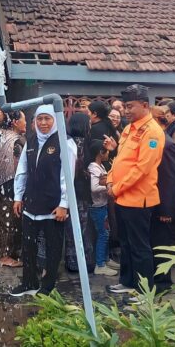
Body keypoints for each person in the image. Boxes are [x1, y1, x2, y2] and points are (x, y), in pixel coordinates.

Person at [10, 104, 77, 297]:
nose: (43, 123)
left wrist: (64, 204)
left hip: (54, 207)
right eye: (40, 119)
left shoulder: (65, 142)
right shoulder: (31, 141)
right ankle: (29, 282)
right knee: (28, 245)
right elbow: (22, 170)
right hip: (31, 203)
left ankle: (48, 286)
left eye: (47, 118)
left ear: (56, 120)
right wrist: (17, 196)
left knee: (53, 247)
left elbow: (68, 175)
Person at [105, 84, 164, 300]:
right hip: (122, 198)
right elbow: (120, 159)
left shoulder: (153, 132)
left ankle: (144, 291)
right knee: (126, 244)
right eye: (125, 107)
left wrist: (117, 188)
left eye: (130, 107)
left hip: (140, 200)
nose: (126, 111)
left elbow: (142, 168)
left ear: (145, 105)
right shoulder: (130, 128)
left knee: (140, 247)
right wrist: (111, 181)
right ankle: (127, 282)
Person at [149, 106, 175, 292]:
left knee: (161, 245)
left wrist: (166, 210)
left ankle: (162, 282)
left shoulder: (168, 144)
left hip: (163, 206)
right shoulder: (157, 140)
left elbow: (171, 180)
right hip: (154, 202)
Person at [0, 111, 27, 268]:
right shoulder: (17, 141)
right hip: (11, 184)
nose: (26, 122)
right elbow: (20, 167)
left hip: (0, 184)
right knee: (9, 221)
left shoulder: (3, 137)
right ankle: (5, 256)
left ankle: (3, 253)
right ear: (16, 122)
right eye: (24, 119)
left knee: (2, 220)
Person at [64, 113, 95, 273]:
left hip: (72, 192)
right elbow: (79, 169)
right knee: (80, 228)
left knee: (72, 228)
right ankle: (80, 262)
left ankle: (72, 261)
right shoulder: (80, 143)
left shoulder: (68, 141)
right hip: (80, 192)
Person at [87, 140, 117, 277]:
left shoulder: (100, 166)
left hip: (102, 206)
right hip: (97, 207)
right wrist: (108, 187)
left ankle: (105, 259)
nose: (108, 152)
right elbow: (94, 188)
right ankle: (100, 264)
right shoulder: (94, 167)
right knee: (103, 234)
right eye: (106, 150)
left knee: (105, 233)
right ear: (100, 152)